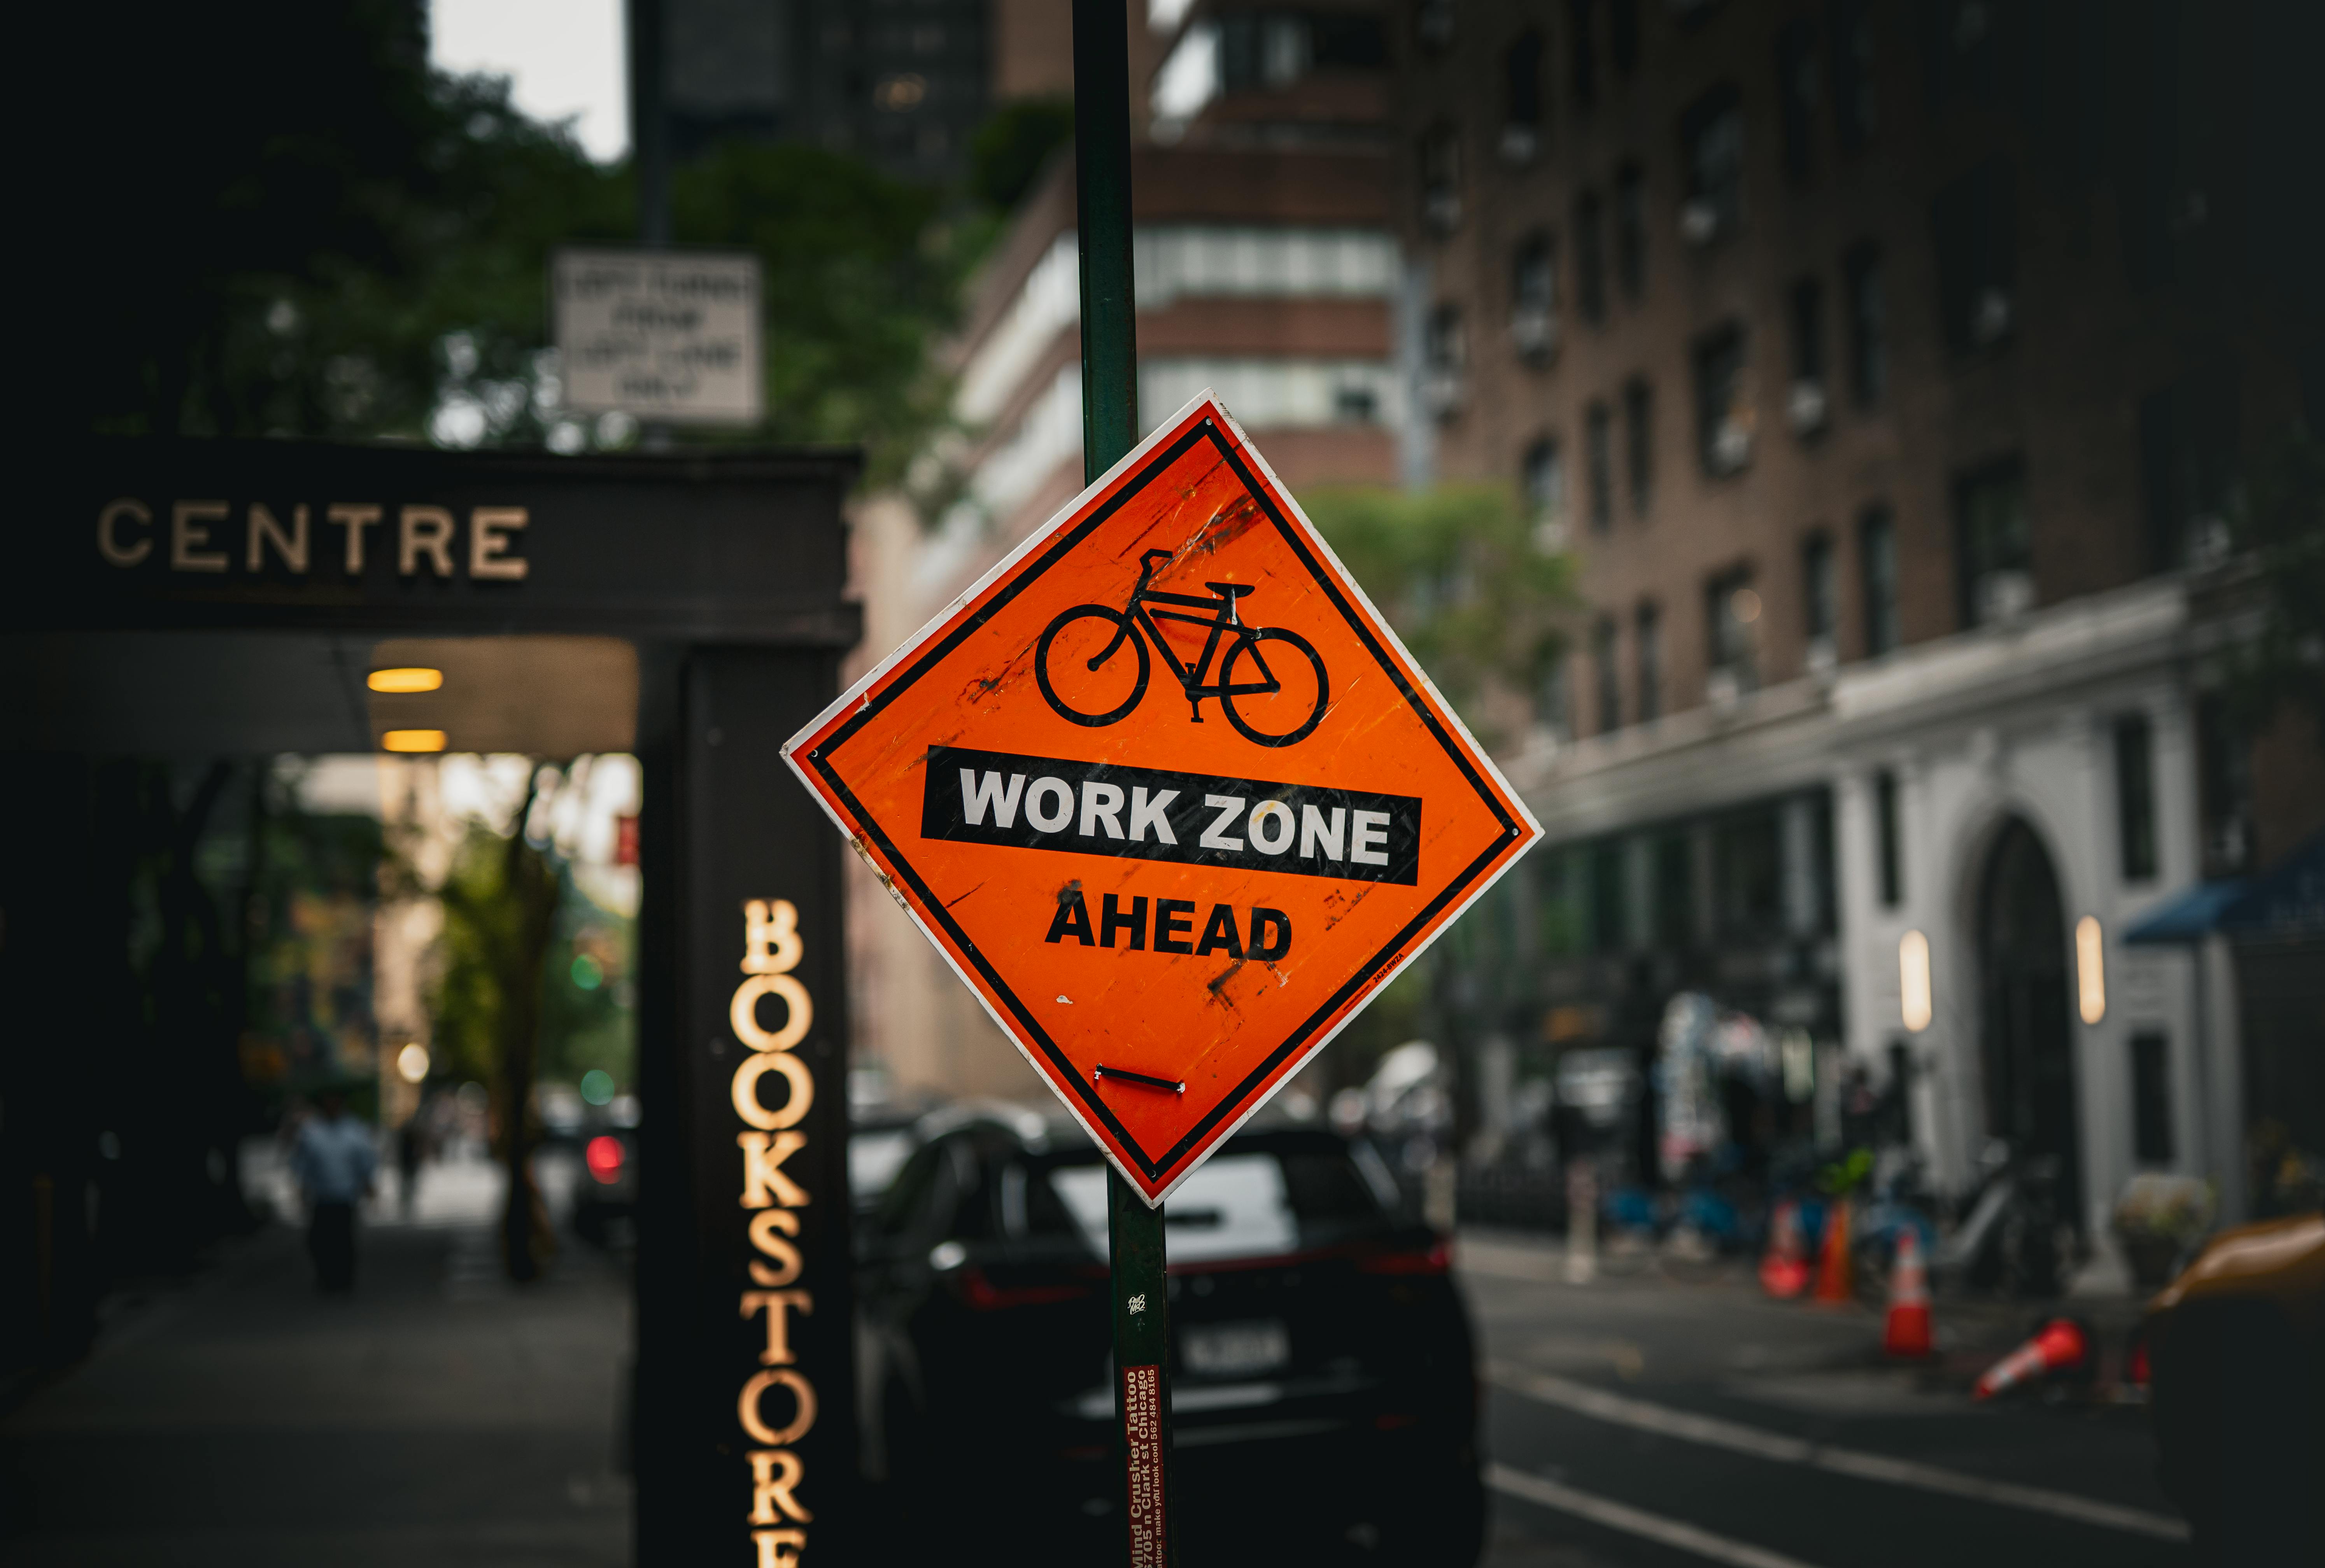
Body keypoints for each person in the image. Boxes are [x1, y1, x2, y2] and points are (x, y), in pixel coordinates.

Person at [291, 1087, 378, 1292]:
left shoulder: (354, 1130)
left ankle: (344, 1279)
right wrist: (302, 1190)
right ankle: (325, 1277)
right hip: (321, 1197)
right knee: (320, 1241)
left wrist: (368, 1185)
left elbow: (364, 1160)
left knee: (344, 1240)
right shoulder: (311, 1131)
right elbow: (303, 1163)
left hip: (345, 1196)